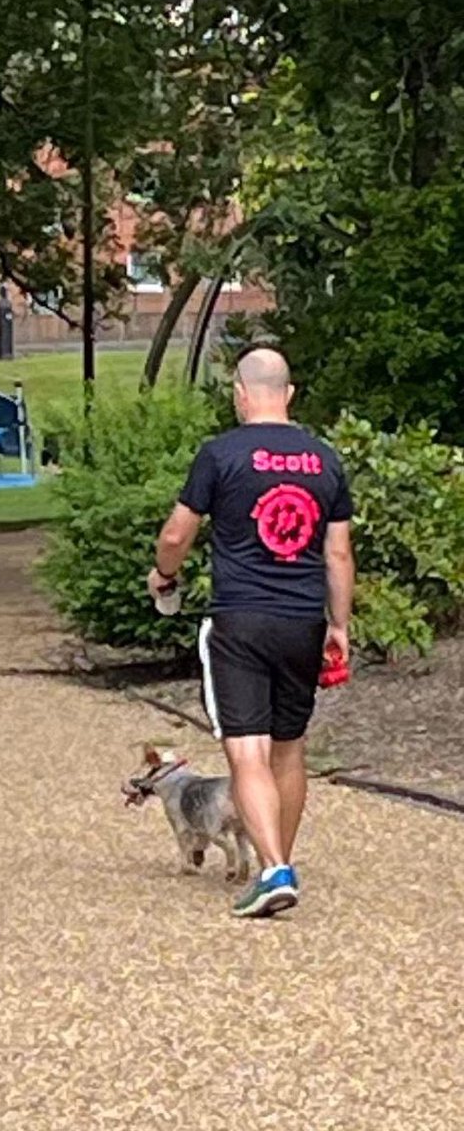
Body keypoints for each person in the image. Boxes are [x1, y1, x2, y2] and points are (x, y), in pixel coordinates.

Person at [148, 347, 355, 918]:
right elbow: (337, 553)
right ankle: (277, 861)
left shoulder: (220, 454)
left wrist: (164, 576)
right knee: (289, 748)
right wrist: (338, 623)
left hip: (239, 618)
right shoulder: (325, 458)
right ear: (288, 394)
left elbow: (175, 534)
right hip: (302, 619)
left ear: (240, 392)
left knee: (246, 751)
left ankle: (274, 870)